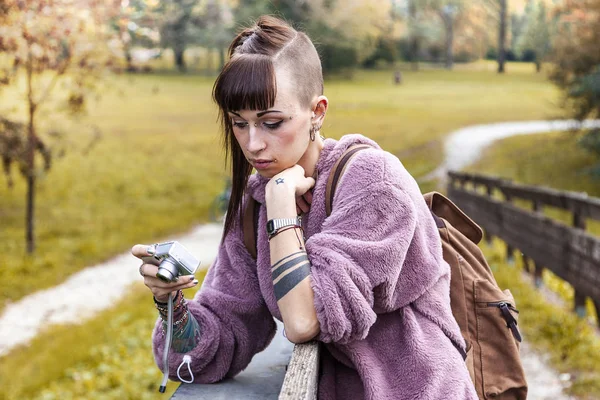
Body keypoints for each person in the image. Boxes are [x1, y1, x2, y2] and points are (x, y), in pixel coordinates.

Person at [132, 16, 478, 399]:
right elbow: (215, 345)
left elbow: (304, 319)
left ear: (317, 112)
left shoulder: (374, 181)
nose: (253, 144)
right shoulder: (253, 207)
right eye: (239, 123)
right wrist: (172, 305)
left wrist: (281, 210)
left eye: (272, 122)